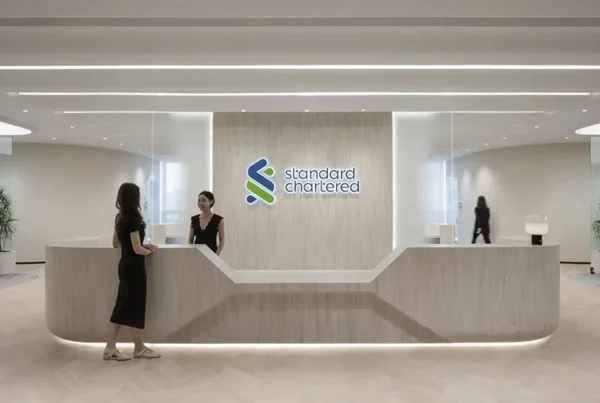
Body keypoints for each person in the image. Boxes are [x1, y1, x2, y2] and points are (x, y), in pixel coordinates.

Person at [103, 183, 161, 361]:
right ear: (134, 198)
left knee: (124, 305)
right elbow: (137, 249)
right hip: (134, 267)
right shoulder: (134, 219)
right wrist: (151, 250)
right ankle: (135, 348)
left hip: (125, 265)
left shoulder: (120, 217)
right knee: (132, 306)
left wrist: (140, 246)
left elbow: (116, 243)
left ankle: (118, 347)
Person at [188, 191, 225, 255]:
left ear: (211, 201)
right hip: (197, 254)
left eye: (204, 200)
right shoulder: (194, 219)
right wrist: (191, 253)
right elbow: (190, 239)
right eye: (199, 201)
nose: (200, 203)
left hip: (212, 254)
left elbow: (222, 240)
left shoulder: (218, 220)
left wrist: (216, 255)